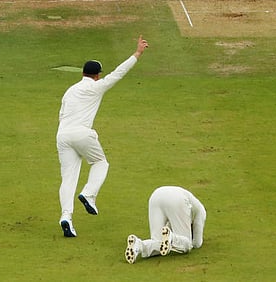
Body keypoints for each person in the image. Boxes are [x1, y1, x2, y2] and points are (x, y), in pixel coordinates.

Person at [56, 35, 149, 238]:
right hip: (82, 133)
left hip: (62, 135)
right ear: (97, 76)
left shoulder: (70, 91)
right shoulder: (96, 87)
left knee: (68, 179)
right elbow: (118, 73)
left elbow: (61, 115)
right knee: (100, 162)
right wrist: (137, 53)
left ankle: (66, 217)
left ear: (83, 73)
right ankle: (89, 194)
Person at [125, 186, 207, 264]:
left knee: (158, 240)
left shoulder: (191, 207)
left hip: (156, 196)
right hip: (177, 199)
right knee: (187, 244)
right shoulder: (201, 211)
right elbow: (197, 243)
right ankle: (172, 239)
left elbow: (166, 230)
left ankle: (138, 246)